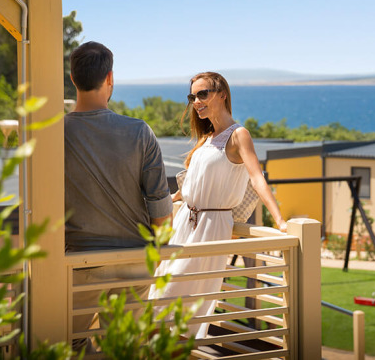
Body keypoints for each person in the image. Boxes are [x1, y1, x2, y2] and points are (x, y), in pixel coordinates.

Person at [149, 71, 286, 339]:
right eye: (192, 97)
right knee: (159, 300)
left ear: (222, 94)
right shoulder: (208, 138)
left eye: (203, 94)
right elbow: (191, 186)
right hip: (183, 225)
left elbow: (257, 178)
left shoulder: (238, 135)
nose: (196, 102)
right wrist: (166, 200)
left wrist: (279, 220)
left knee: (176, 304)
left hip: (210, 229)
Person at [64, 41, 173, 351]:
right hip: (134, 261)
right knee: (125, 349)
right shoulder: (140, 132)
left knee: (69, 343)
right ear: (110, 78)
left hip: (79, 262)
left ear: (73, 78)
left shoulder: (53, 133)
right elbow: (161, 211)